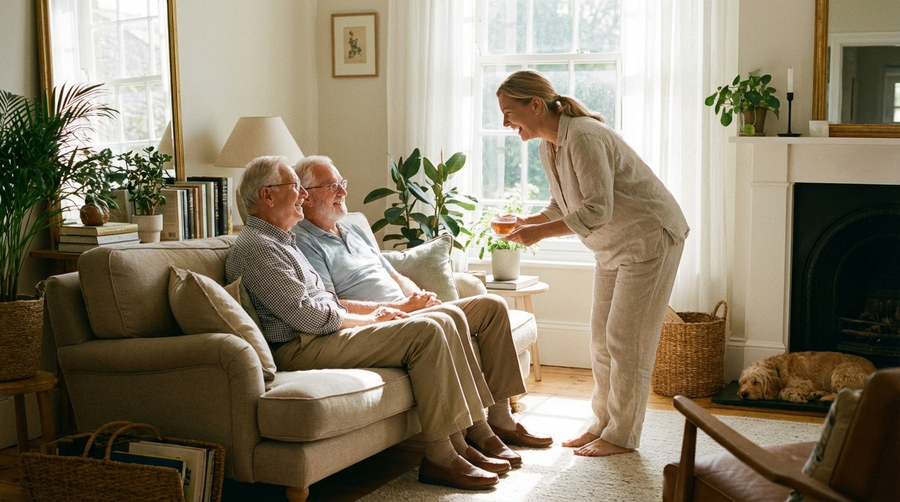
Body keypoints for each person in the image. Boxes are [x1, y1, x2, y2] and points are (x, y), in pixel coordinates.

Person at [226, 156, 518, 490]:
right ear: (268, 195)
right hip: (300, 345)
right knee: (427, 329)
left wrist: (368, 315)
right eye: (295, 188)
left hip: (319, 334)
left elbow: (321, 301)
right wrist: (368, 317)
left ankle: (468, 438)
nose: (303, 197)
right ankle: (440, 456)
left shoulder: (280, 240)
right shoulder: (258, 247)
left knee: (446, 316)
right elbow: (307, 315)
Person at [291, 155, 553, 457]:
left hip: (408, 309)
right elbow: (330, 301)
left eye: (342, 183)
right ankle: (476, 429)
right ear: (305, 196)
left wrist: (420, 297)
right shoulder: (304, 241)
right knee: (451, 317)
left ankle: (502, 418)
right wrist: (404, 306)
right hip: (380, 320)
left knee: (492, 307)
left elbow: (394, 274)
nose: (343, 192)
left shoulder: (353, 229)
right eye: (331, 186)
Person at [495, 70, 689, 457]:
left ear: (535, 104)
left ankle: (622, 436)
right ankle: (602, 424)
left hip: (650, 237)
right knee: (601, 338)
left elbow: (598, 208)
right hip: (612, 246)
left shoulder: (582, 135)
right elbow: (563, 205)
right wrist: (529, 222)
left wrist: (540, 234)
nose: (505, 123)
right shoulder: (547, 146)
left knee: (626, 341)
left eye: (508, 112)